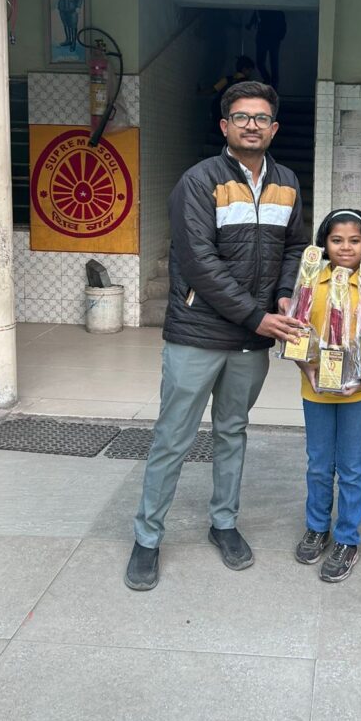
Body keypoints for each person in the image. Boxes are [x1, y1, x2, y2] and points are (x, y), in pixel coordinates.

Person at [125, 81, 308, 590]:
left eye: (261, 118)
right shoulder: (199, 181)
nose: (252, 125)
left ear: (274, 128)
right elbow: (199, 263)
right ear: (225, 126)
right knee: (173, 437)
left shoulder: (287, 182)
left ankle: (223, 523)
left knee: (232, 432)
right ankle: (147, 537)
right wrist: (256, 317)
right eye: (242, 117)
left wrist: (285, 295)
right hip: (198, 333)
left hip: (250, 339)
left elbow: (295, 246)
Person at [294, 209, 361, 583]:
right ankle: (317, 527)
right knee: (319, 464)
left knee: (353, 468)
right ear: (324, 244)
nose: (345, 247)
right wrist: (306, 367)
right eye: (336, 240)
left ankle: (347, 539)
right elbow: (296, 335)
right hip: (316, 391)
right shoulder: (311, 283)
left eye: (354, 241)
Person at [248, 10, 287, 92]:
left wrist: (250, 25)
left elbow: (283, 26)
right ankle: (271, 83)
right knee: (270, 64)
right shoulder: (275, 11)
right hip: (268, 38)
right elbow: (283, 26)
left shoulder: (274, 11)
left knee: (271, 64)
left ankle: (270, 82)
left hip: (268, 38)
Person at [211, 55, 256, 124]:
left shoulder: (227, 79)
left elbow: (213, 90)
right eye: (249, 70)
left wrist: (198, 92)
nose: (250, 73)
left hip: (218, 111)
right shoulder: (248, 84)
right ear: (244, 69)